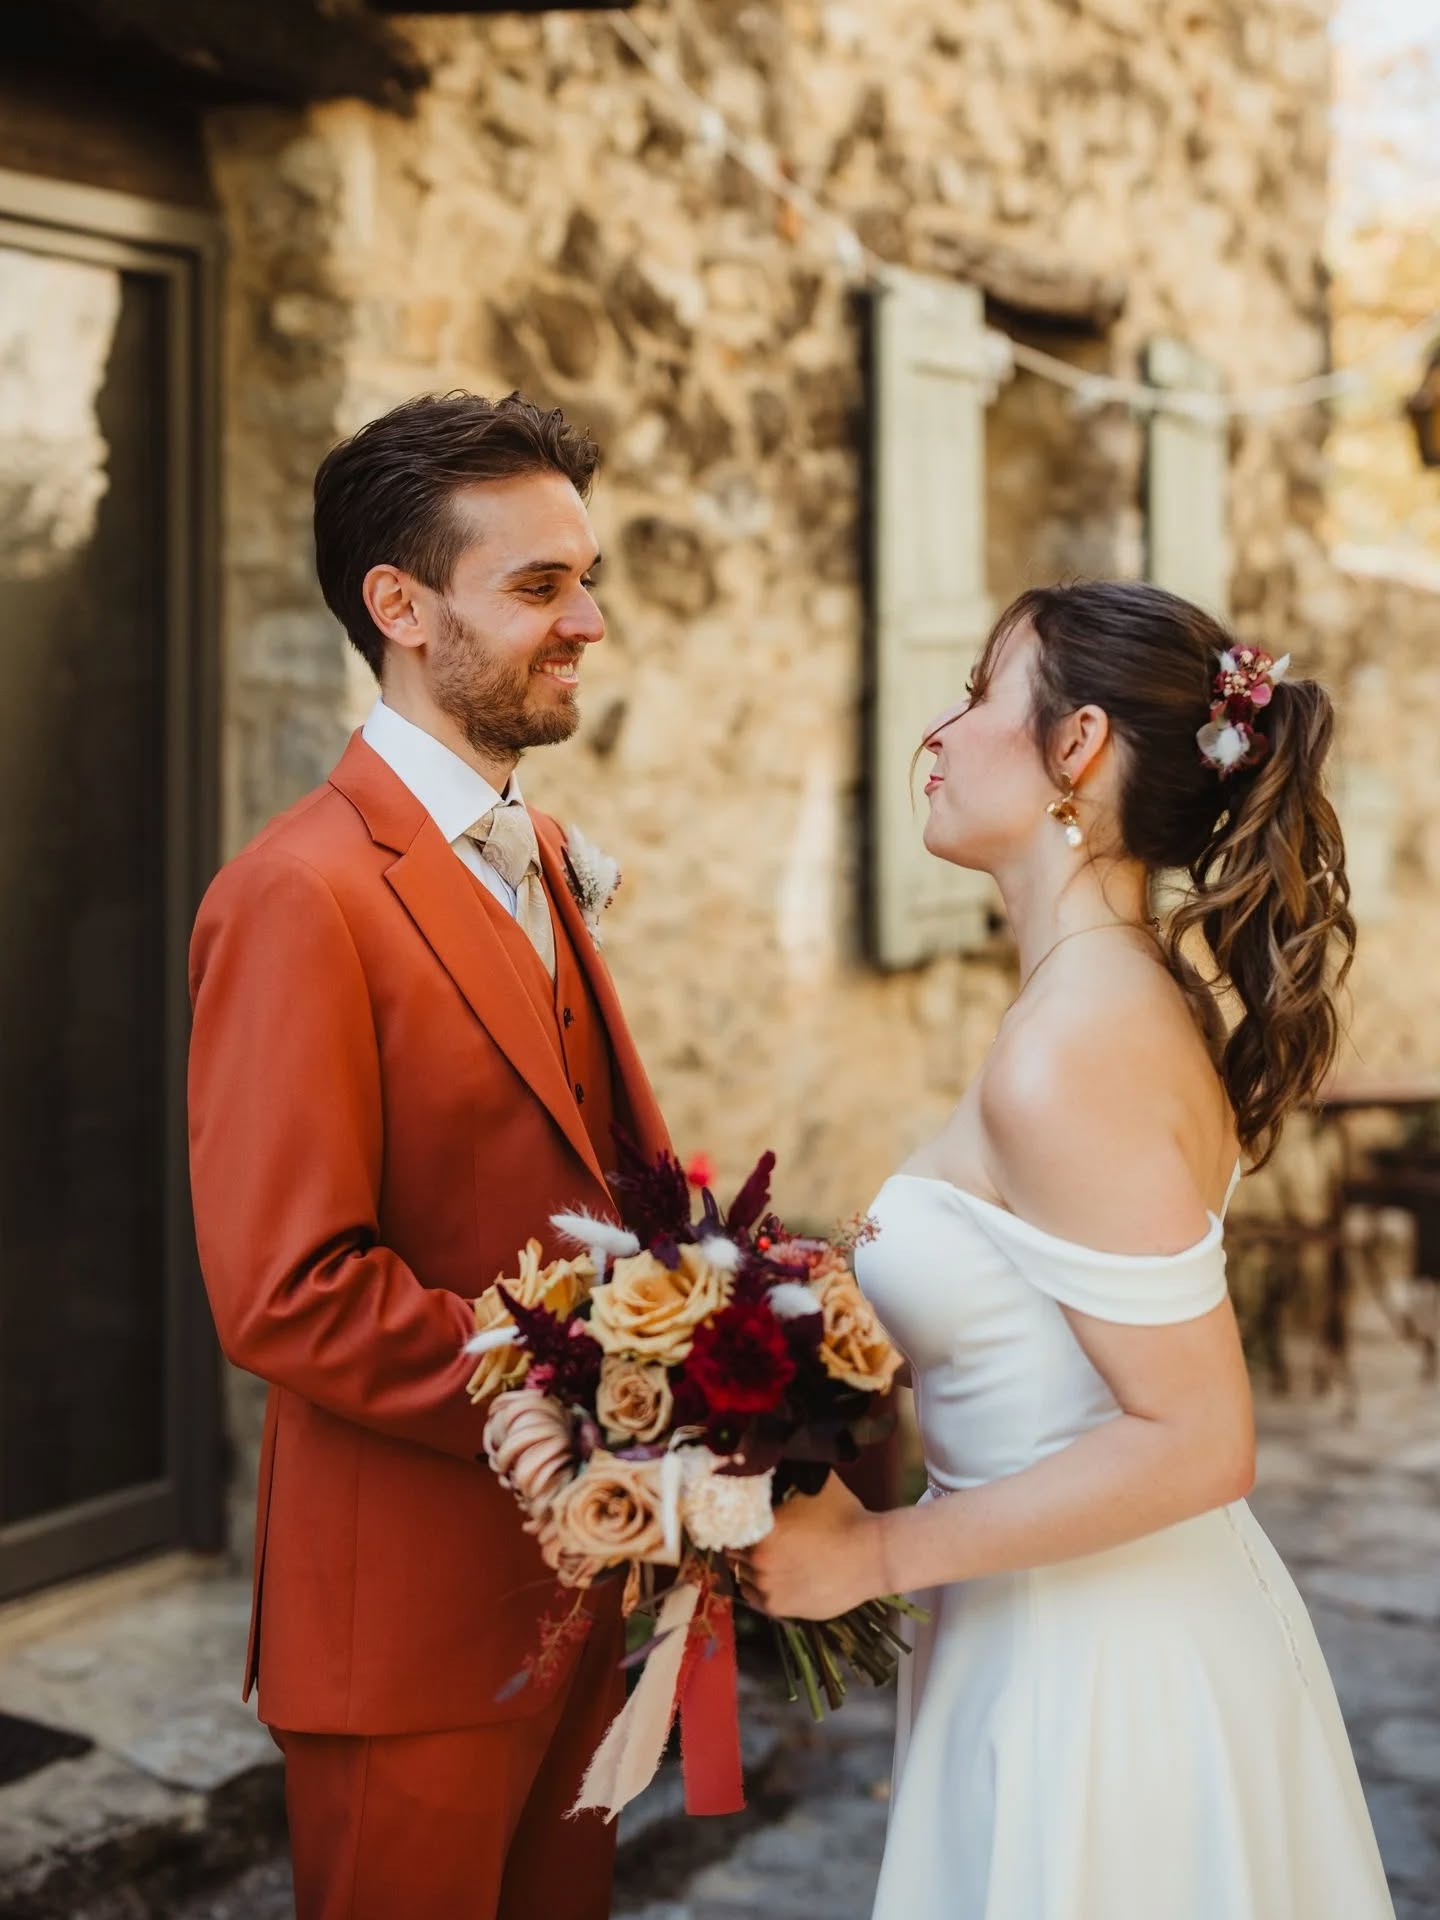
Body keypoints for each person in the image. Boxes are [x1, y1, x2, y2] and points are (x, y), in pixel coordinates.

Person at [742, 582, 1395, 1919]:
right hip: (1044, 1632)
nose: (942, 730)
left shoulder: (1076, 1045)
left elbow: (1195, 1439)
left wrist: (867, 1560)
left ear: (1075, 746)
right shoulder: (1105, 997)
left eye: (981, 693)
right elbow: (1053, 1337)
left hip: (1102, 1679)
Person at [187, 392, 668, 1920]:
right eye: (538, 586)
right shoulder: (297, 895)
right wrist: (590, 1383)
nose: (587, 620)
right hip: (404, 1628)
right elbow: (290, 1291)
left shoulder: (533, 853)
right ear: (399, 606)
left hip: (576, 1594)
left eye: (585, 577)